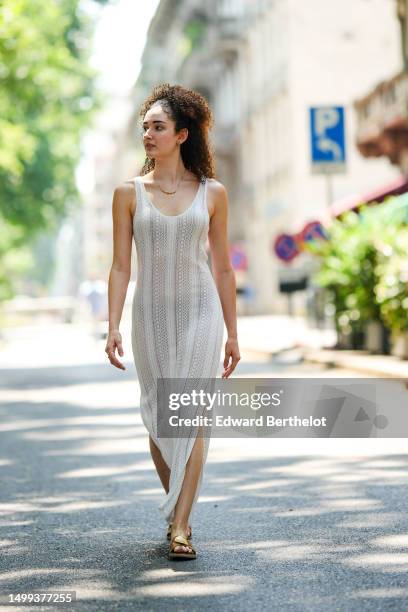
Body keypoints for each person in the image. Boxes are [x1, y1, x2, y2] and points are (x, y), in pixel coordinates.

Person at [105, 83, 240, 560]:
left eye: (157, 127)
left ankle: (181, 524)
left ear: (182, 135)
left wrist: (233, 333)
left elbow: (223, 267)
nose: (148, 134)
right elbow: (121, 265)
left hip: (201, 311)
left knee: (194, 414)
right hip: (150, 315)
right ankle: (175, 510)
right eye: (145, 127)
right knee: (161, 416)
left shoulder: (213, 194)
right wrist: (114, 324)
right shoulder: (128, 194)